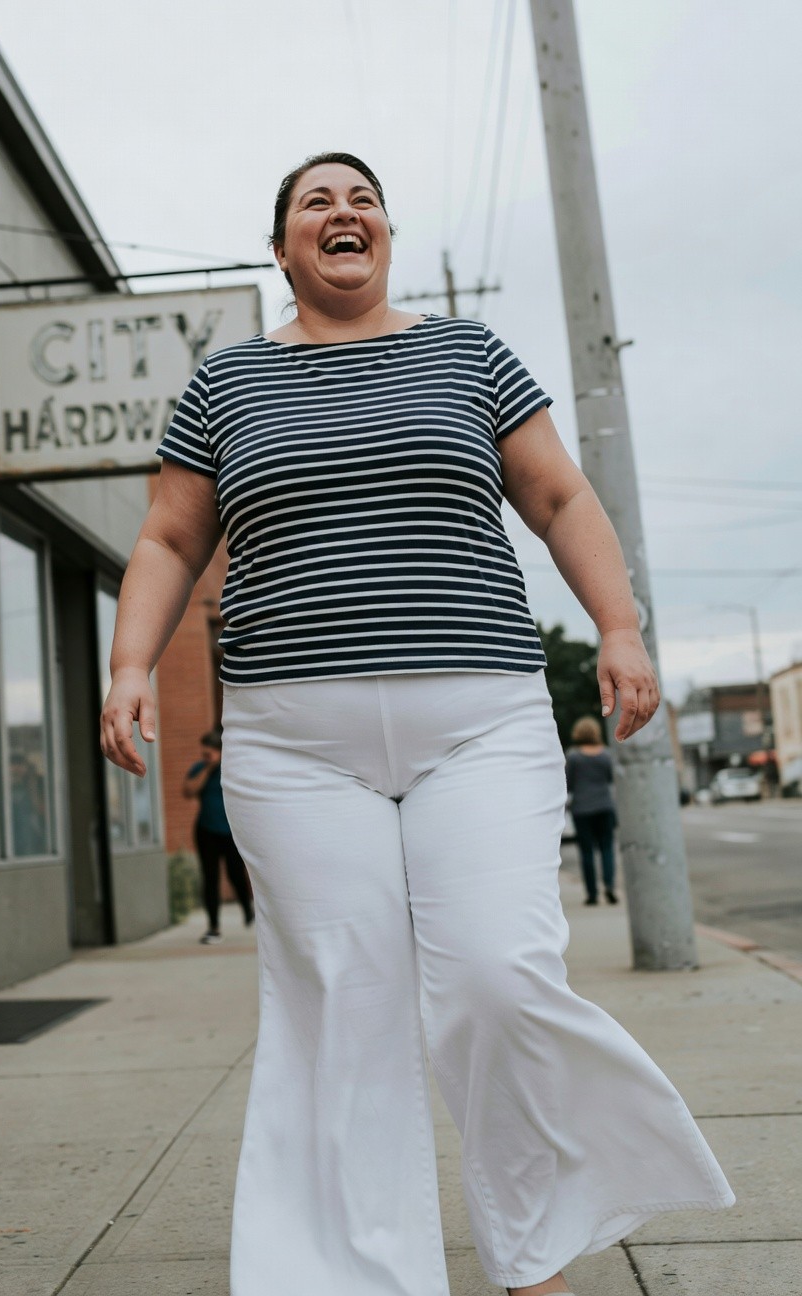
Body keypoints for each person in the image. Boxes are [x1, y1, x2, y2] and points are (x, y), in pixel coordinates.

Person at [100, 153, 733, 1296]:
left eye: (363, 200)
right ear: (283, 248)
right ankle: (346, 1276)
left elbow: (558, 497)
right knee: (344, 1006)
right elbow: (169, 537)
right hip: (294, 744)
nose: (344, 212)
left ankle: (535, 1247)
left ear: (384, 234)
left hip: (479, 721)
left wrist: (620, 628)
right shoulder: (227, 382)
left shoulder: (469, 354)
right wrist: (130, 664)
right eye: (316, 202)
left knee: (500, 975)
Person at [183, 729, 254, 939]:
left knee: (236, 874)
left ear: (221, 751)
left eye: (210, 753)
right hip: (206, 831)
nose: (206, 757)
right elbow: (188, 791)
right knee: (210, 878)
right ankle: (213, 927)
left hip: (231, 832)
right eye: (203, 753)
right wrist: (207, 769)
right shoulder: (200, 768)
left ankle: (247, 908)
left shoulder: (233, 769)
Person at [565, 715, 618, 906]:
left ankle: (592, 894)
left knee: (586, 852)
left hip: (582, 809)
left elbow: (568, 783)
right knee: (607, 849)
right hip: (604, 806)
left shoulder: (573, 756)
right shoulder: (606, 754)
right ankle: (609, 885)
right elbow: (611, 778)